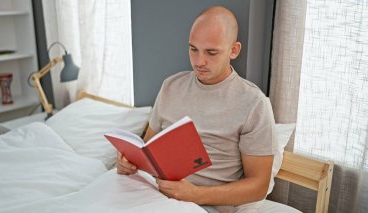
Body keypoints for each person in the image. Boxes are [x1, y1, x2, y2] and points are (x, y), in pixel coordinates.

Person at [116, 6, 277, 213]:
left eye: (211, 52)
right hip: (152, 193)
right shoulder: (171, 86)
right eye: (193, 49)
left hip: (200, 206)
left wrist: (195, 194)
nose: (199, 61)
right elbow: (147, 148)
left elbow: (258, 186)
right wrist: (128, 163)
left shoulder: (253, 103)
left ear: (234, 50)